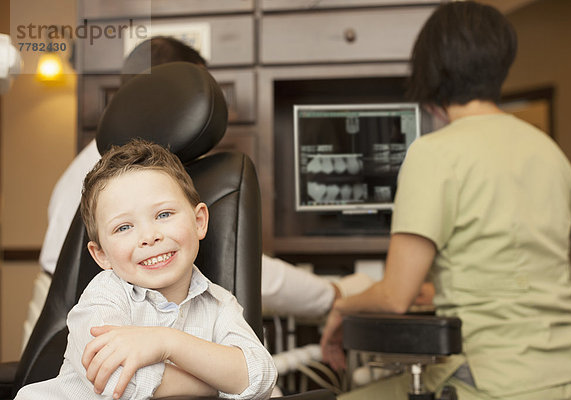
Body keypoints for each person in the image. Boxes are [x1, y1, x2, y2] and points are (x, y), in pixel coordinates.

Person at [25, 36, 383, 349]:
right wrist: (332, 295)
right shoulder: (107, 183)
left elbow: (234, 268)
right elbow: (242, 264)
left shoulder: (149, 174)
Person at [320, 2, 571, 399]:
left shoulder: (435, 152)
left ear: (431, 69)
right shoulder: (551, 152)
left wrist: (340, 309)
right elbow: (517, 269)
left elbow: (394, 298)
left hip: (494, 380)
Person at [16, 139, 277, 399]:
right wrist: (218, 384)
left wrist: (166, 343)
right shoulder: (104, 296)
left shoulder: (220, 304)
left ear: (199, 221)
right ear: (102, 255)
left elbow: (260, 377)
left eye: (164, 214)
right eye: (124, 227)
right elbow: (117, 382)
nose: (149, 236)